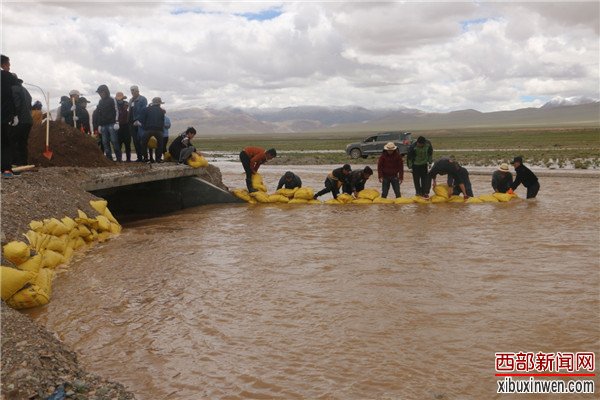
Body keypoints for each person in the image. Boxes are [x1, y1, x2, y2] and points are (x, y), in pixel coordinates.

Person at [10, 74, 33, 166]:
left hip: (19, 120)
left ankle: (15, 163)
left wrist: (13, 116)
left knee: (13, 141)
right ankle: (23, 163)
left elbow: (16, 105)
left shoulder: (13, 89)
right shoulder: (24, 90)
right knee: (22, 143)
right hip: (27, 120)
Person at [1, 54, 18, 177]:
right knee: (6, 142)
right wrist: (15, 114)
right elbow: (17, 82)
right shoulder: (6, 76)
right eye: (9, 64)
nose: (10, 66)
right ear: (4, 65)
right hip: (4, 116)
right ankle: (6, 170)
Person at [94, 84, 120, 161]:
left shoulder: (112, 99)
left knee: (114, 141)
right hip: (103, 125)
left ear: (105, 92)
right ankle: (109, 159)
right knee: (105, 142)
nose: (100, 94)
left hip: (112, 123)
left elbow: (116, 110)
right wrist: (99, 125)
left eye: (101, 92)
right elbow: (99, 113)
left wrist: (117, 122)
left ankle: (119, 158)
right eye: (99, 93)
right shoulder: (100, 102)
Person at [140, 97, 165, 163]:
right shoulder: (161, 111)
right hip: (159, 130)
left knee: (144, 144)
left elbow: (142, 120)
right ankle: (158, 159)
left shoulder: (146, 109)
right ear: (159, 103)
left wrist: (145, 127)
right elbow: (162, 121)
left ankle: (145, 158)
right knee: (160, 145)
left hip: (148, 129)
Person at [128, 85, 148, 162]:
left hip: (140, 122)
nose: (132, 92)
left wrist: (139, 120)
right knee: (135, 141)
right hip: (132, 123)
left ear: (137, 91)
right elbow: (130, 111)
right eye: (131, 91)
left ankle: (145, 157)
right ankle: (139, 157)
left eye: (133, 90)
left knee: (142, 140)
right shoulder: (130, 100)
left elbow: (144, 110)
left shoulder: (143, 99)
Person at [115, 92, 131, 162]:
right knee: (119, 144)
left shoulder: (126, 105)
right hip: (119, 127)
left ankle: (128, 159)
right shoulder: (115, 106)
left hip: (126, 127)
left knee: (127, 144)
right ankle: (119, 158)